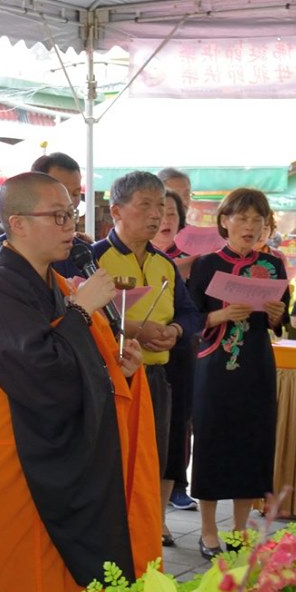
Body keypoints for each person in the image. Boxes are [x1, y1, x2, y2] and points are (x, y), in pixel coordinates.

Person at [0, 172, 161, 592]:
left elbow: (79, 364)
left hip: (64, 456)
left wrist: (119, 368)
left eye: (72, 214)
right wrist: (76, 311)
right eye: (59, 215)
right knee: (16, 579)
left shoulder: (60, 284)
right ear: (19, 224)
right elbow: (40, 372)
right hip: (14, 458)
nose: (71, 225)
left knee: (66, 581)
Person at [187, 189, 288, 555]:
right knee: (212, 442)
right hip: (214, 367)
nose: (249, 226)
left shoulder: (274, 264)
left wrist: (278, 316)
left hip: (256, 365)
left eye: (257, 220)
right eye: (242, 218)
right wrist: (219, 315)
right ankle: (208, 529)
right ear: (224, 221)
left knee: (253, 443)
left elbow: (283, 317)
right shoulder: (205, 264)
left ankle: (242, 530)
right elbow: (190, 317)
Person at [87, 172, 186, 542]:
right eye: (145, 205)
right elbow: (78, 312)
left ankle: (142, 534)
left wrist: (174, 332)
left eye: (161, 206)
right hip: (107, 379)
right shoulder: (92, 258)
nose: (156, 215)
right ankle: (106, 536)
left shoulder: (166, 264)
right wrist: (132, 329)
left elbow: (189, 314)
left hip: (155, 378)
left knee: (149, 461)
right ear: (116, 211)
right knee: (109, 463)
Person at [156, 189, 201, 513]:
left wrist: (177, 329)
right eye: (158, 209)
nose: (163, 219)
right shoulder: (105, 255)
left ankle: (168, 500)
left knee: (175, 428)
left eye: (172, 213)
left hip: (180, 353)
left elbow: (195, 312)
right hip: (133, 357)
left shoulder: (195, 260)